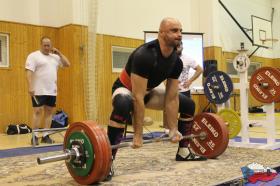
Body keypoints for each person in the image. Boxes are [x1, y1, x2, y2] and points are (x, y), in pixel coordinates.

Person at [106, 17, 206, 181]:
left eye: (180, 31)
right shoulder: (145, 55)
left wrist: (173, 129)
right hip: (126, 89)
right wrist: (138, 134)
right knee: (124, 104)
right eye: (174, 30)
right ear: (161, 33)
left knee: (188, 104)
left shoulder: (176, 62)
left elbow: (172, 98)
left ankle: (183, 151)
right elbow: (136, 97)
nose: (179, 34)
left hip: (148, 93)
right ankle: (108, 160)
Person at [25, 36, 70, 145]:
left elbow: (67, 64)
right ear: (41, 45)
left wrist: (59, 53)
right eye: (44, 45)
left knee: (49, 112)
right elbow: (28, 72)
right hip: (38, 90)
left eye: (48, 45)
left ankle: (45, 135)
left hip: (51, 91)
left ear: (51, 46)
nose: (46, 47)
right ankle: (34, 136)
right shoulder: (34, 56)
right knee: (37, 111)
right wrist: (30, 86)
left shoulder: (55, 57)